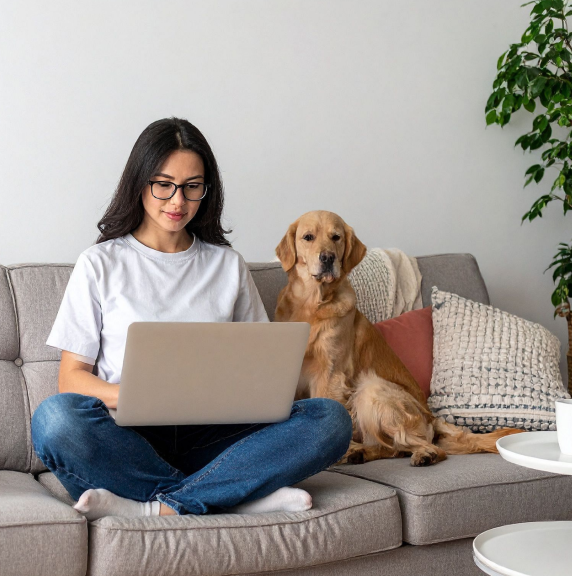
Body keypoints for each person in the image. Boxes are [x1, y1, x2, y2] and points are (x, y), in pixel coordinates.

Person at [31, 117, 352, 519]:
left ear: (206, 189)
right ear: (140, 183)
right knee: (54, 420)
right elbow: (71, 378)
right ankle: (235, 495)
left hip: (216, 438)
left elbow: (263, 370)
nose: (177, 201)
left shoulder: (227, 266)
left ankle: (155, 506)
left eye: (192, 187)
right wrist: (140, 396)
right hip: (129, 439)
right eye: (163, 184)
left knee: (330, 420)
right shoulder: (100, 263)